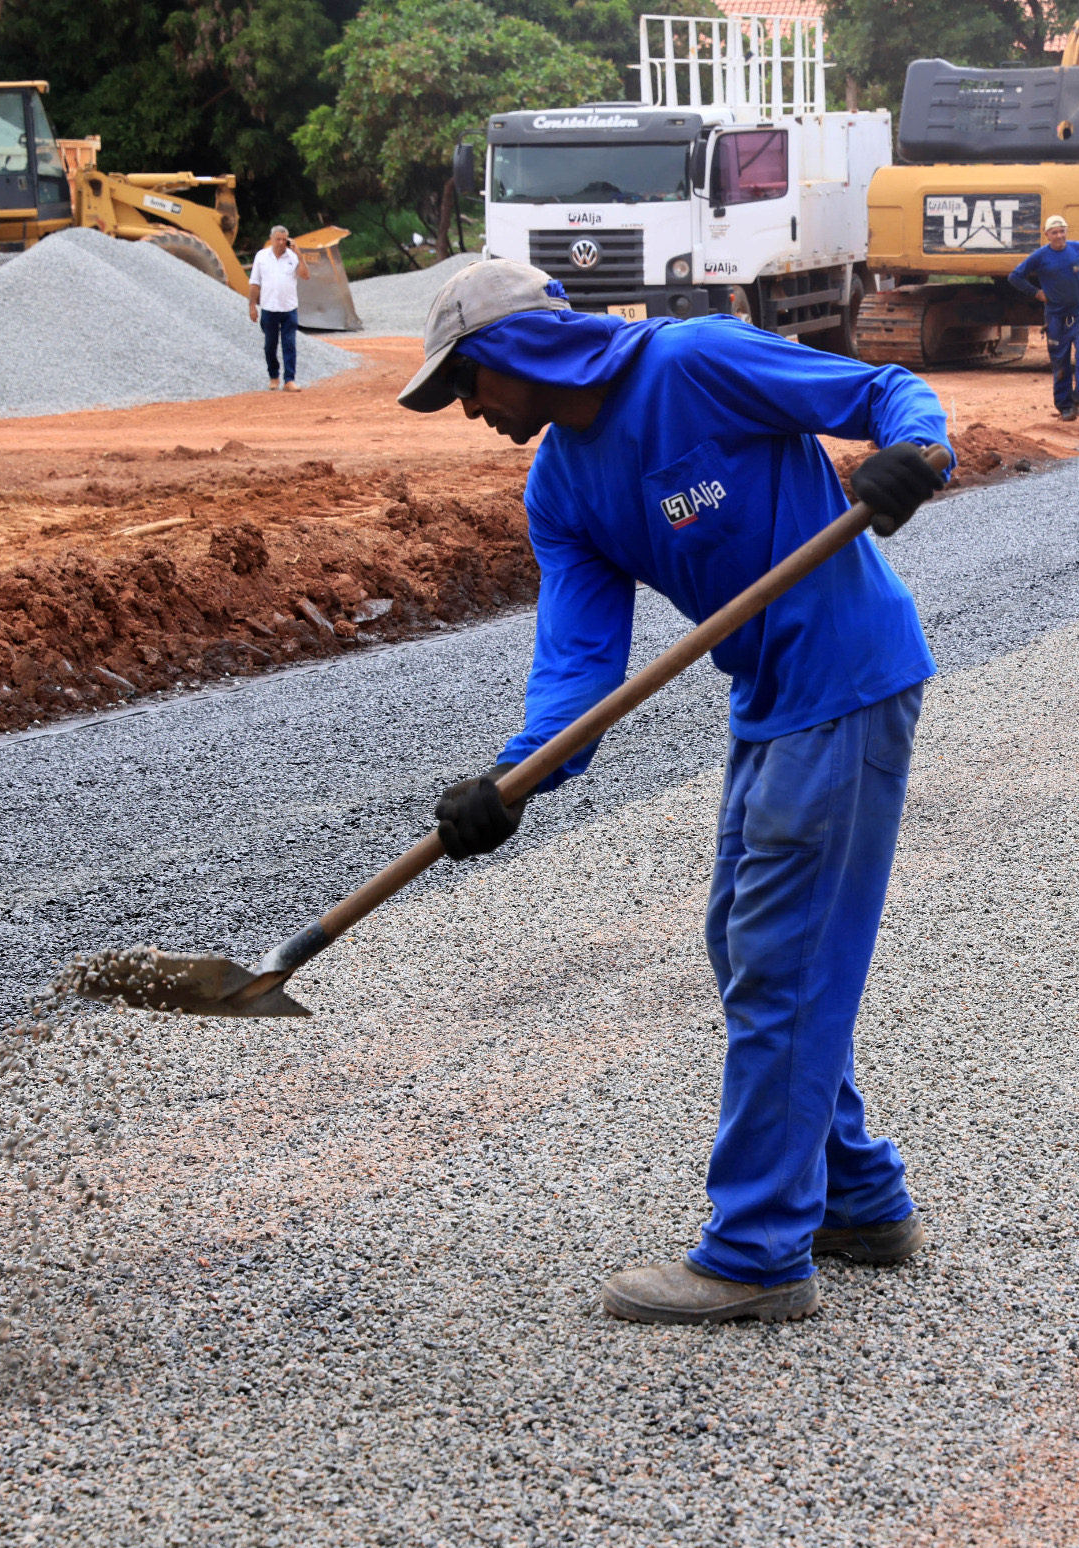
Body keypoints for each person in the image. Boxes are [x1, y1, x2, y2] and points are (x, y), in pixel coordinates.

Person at [397, 259, 952, 1325]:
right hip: (771, 697)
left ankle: (754, 1253)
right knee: (747, 951)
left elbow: (878, 392)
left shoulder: (696, 361)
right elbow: (577, 665)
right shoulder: (559, 487)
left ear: (514, 353)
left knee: (781, 961)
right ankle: (858, 1197)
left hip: (847, 675)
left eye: (468, 384)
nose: (470, 411)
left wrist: (915, 451)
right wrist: (512, 781)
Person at [1009, 214, 1079, 421]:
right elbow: (1015, 277)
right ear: (1047, 235)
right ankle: (1065, 407)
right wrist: (1036, 293)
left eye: (1062, 231)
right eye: (1054, 232)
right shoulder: (1040, 256)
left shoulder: (1078, 249)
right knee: (1060, 362)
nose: (1059, 236)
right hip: (1055, 318)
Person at [249, 225, 302, 392]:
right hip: (269, 307)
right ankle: (274, 376)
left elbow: (306, 275)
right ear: (271, 239)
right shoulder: (262, 256)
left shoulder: (293, 257)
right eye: (277, 239)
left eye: (283, 239)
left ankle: (289, 380)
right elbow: (255, 282)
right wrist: (252, 305)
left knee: (289, 344)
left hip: (289, 307)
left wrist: (300, 255)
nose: (280, 242)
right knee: (270, 345)